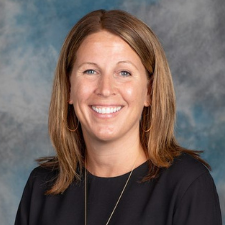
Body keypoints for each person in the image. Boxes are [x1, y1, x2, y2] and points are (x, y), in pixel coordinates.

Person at [15, 9, 222, 225]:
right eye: (90, 71)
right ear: (68, 88)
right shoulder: (41, 185)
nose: (105, 89)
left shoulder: (188, 184)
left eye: (124, 73)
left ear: (149, 92)